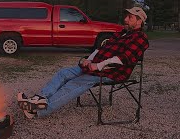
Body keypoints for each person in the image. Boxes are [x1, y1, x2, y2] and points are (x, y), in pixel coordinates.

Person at [17, 7, 149, 119]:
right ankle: (38, 99)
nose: (125, 19)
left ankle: (37, 111)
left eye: (130, 17)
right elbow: (100, 48)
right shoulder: (121, 33)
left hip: (111, 72)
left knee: (74, 83)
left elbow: (124, 58)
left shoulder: (140, 38)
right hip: (94, 66)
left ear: (139, 21)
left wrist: (98, 65)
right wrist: (90, 59)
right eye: (126, 16)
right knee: (63, 73)